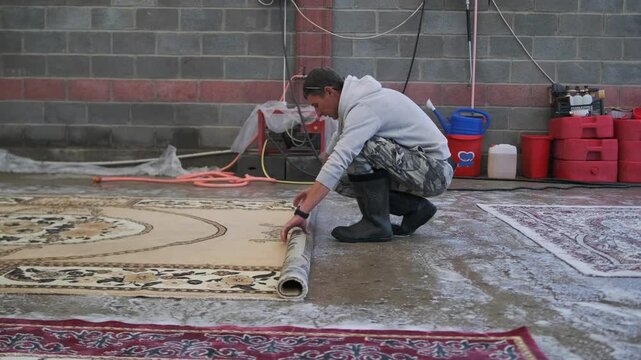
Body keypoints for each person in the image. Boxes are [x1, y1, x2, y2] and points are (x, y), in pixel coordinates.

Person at [279, 67, 455, 243]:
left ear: (329, 91)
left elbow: (340, 157)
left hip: (435, 171)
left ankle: (375, 224)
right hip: (422, 168)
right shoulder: (353, 106)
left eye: (316, 105)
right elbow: (333, 154)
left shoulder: (365, 107)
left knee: (360, 148)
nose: (318, 114)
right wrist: (313, 192)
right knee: (340, 179)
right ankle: (415, 209)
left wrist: (302, 213)